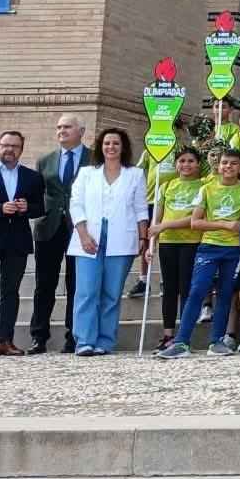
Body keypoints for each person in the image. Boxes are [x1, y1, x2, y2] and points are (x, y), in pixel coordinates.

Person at [61, 127, 146, 357]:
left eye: (116, 143)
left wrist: (143, 237)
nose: (111, 147)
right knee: (87, 291)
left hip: (121, 239)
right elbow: (75, 204)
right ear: (100, 146)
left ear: (123, 147)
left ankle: (105, 341)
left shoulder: (135, 174)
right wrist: (83, 234)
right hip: (88, 239)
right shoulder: (87, 173)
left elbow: (140, 209)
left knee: (111, 293)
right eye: (107, 143)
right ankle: (85, 340)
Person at [157, 146, 240, 359]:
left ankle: (216, 342)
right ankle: (181, 342)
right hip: (208, 247)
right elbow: (195, 222)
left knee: (225, 295)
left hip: (233, 250)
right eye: (225, 163)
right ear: (219, 165)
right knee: (197, 291)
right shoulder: (206, 189)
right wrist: (225, 225)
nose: (228, 167)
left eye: (234, 164)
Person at [146, 146, 204, 353]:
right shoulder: (167, 186)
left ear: (198, 164)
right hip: (168, 243)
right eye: (182, 161)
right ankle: (168, 335)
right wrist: (152, 242)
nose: (186, 165)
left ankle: (183, 336)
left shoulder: (203, 186)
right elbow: (157, 217)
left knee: (186, 287)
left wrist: (165, 226)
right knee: (169, 289)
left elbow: (196, 218)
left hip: (191, 242)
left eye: (190, 161)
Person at [0, 130, 44, 355]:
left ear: (21, 150)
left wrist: (28, 208)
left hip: (17, 241)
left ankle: (4, 340)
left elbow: (40, 207)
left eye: (14, 146)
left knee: (10, 292)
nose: (9, 149)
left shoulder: (32, 177)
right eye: (5, 145)